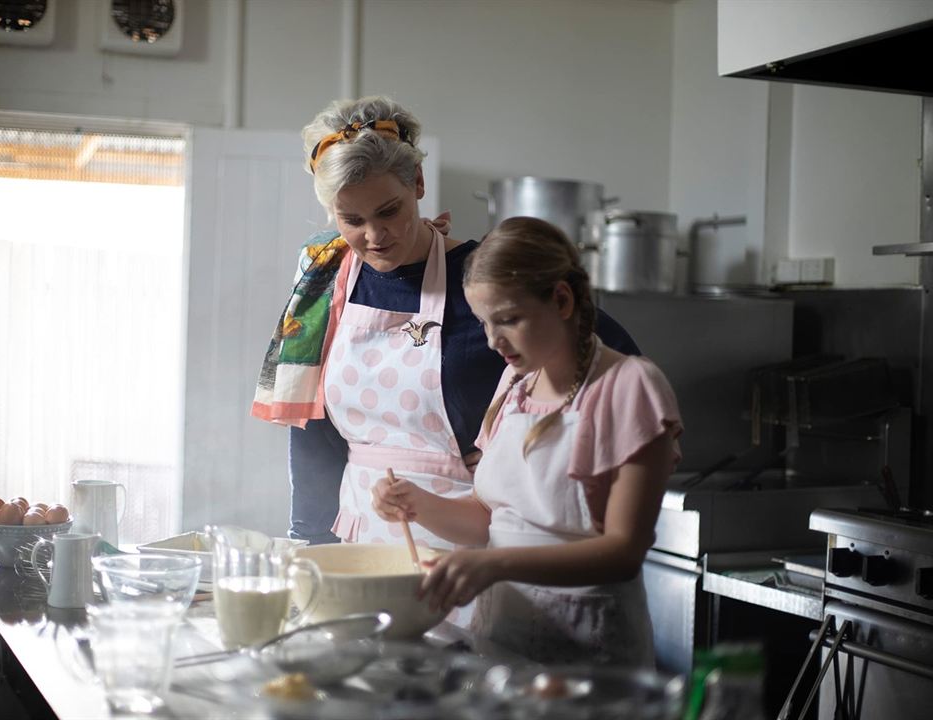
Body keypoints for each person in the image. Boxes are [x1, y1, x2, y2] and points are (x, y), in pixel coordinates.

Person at [252, 96, 640, 551]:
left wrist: (529, 459)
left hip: (476, 545)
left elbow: (621, 371)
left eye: (389, 211)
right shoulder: (324, 278)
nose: (374, 237)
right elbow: (314, 431)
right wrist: (309, 541)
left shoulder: (486, 276)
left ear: (417, 182)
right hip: (360, 540)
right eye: (351, 220)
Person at [371, 216, 682, 666]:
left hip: (589, 652)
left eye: (509, 320)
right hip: (502, 637)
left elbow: (623, 552)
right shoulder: (515, 384)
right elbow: (491, 520)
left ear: (561, 299)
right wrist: (417, 503)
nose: (493, 340)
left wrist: (494, 564)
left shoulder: (630, 385)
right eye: (483, 323)